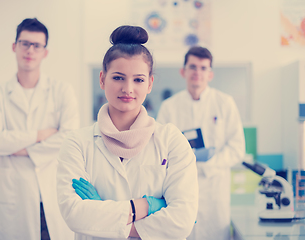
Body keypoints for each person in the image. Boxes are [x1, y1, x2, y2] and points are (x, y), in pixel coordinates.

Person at [56, 25, 198, 240]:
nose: (128, 88)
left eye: (138, 79)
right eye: (118, 78)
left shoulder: (171, 140)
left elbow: (182, 221)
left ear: (150, 83)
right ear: (102, 79)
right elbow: (74, 215)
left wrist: (103, 214)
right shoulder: (77, 143)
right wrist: (145, 206)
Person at [0, 18, 79, 240]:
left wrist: (18, 148)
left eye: (37, 45)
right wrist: (40, 135)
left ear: (45, 52)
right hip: (12, 198)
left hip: (50, 195)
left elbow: (68, 138)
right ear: (14, 46)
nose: (30, 50)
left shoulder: (62, 91)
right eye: (25, 43)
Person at [157, 46, 245, 240]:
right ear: (183, 71)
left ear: (210, 74)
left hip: (215, 189)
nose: (197, 72)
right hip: (179, 189)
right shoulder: (169, 107)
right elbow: (160, 150)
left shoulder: (225, 103)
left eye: (203, 68)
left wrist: (207, 165)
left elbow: (237, 148)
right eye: (193, 67)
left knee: (214, 234)